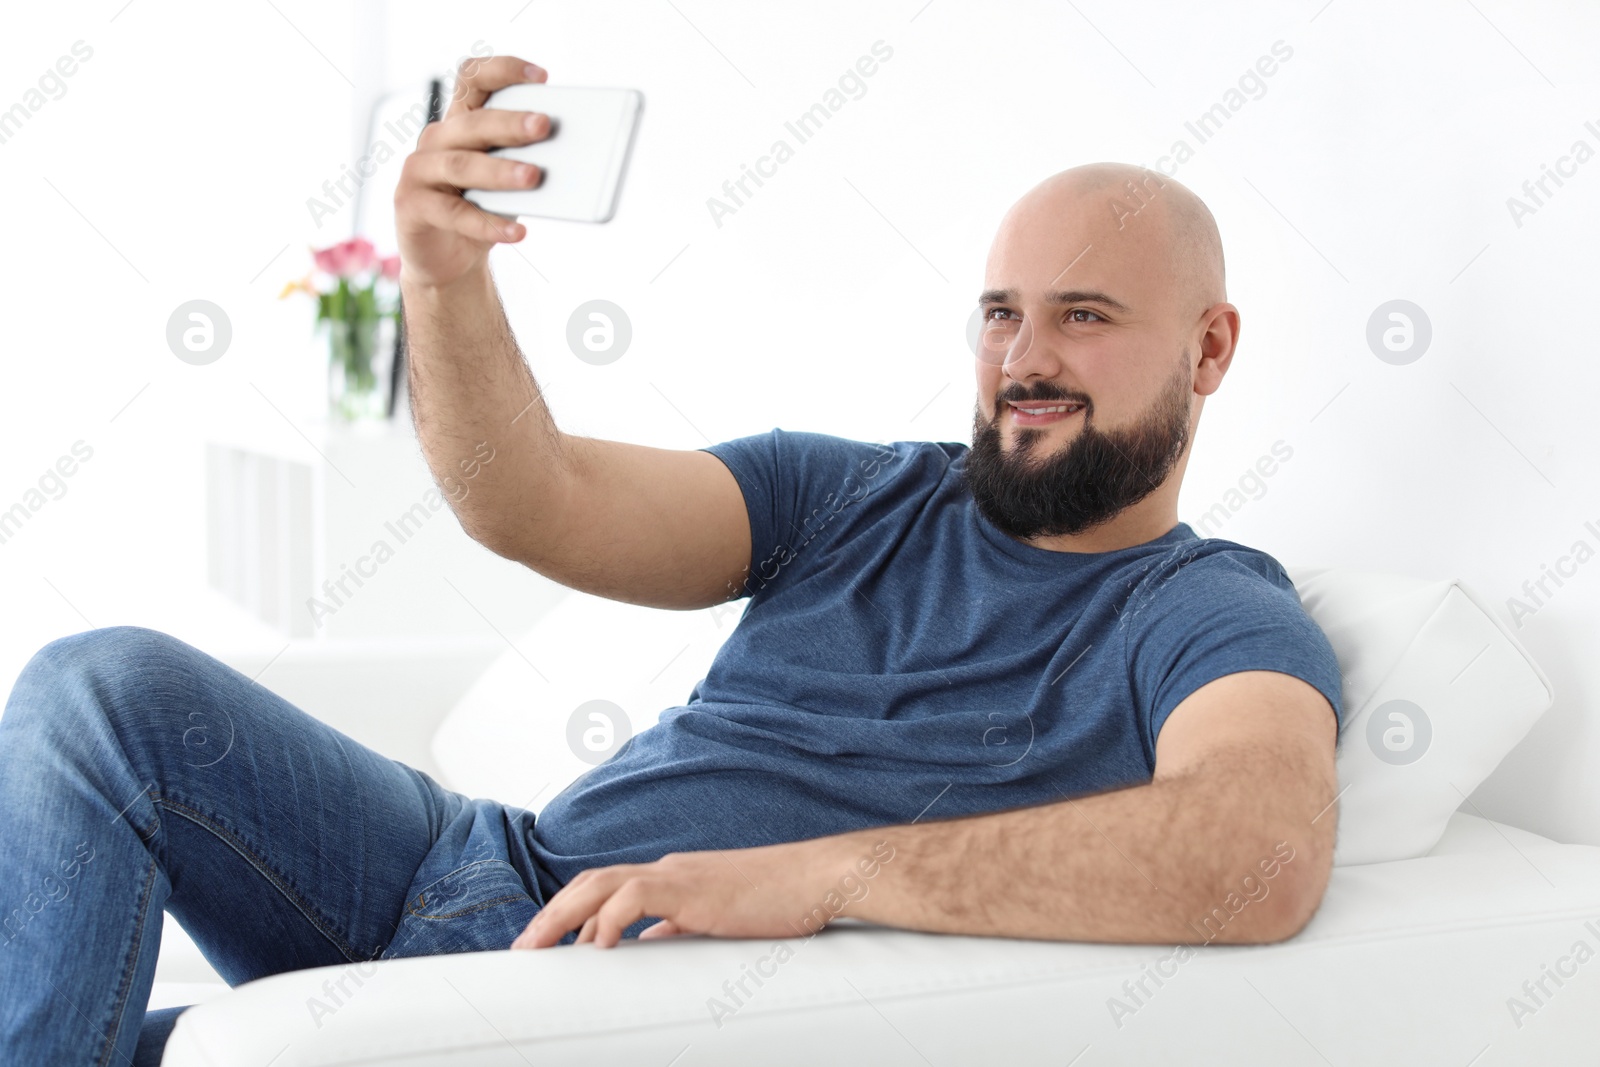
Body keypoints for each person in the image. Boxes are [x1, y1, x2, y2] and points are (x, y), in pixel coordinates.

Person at [0, 54, 1343, 1066]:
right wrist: (444, 282)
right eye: (1000, 314)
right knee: (98, 692)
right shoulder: (855, 490)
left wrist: (814, 877)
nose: (1022, 361)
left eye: (1084, 318)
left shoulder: (1208, 610)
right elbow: (524, 497)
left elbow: (1258, 851)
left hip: (570, 978)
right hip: (476, 862)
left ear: (1210, 349)